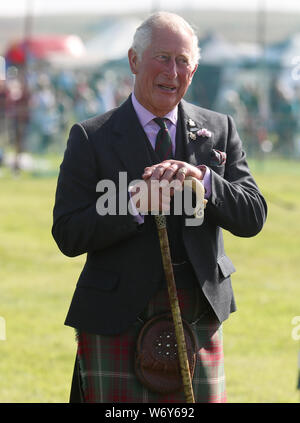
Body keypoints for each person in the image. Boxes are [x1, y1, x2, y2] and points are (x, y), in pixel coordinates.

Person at [52, 12, 267, 403]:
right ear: (134, 61)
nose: (173, 70)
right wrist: (133, 205)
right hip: (115, 316)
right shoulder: (91, 136)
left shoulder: (219, 130)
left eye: (183, 60)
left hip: (198, 316)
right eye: (162, 58)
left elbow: (253, 215)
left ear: (194, 68)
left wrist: (203, 180)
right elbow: (67, 232)